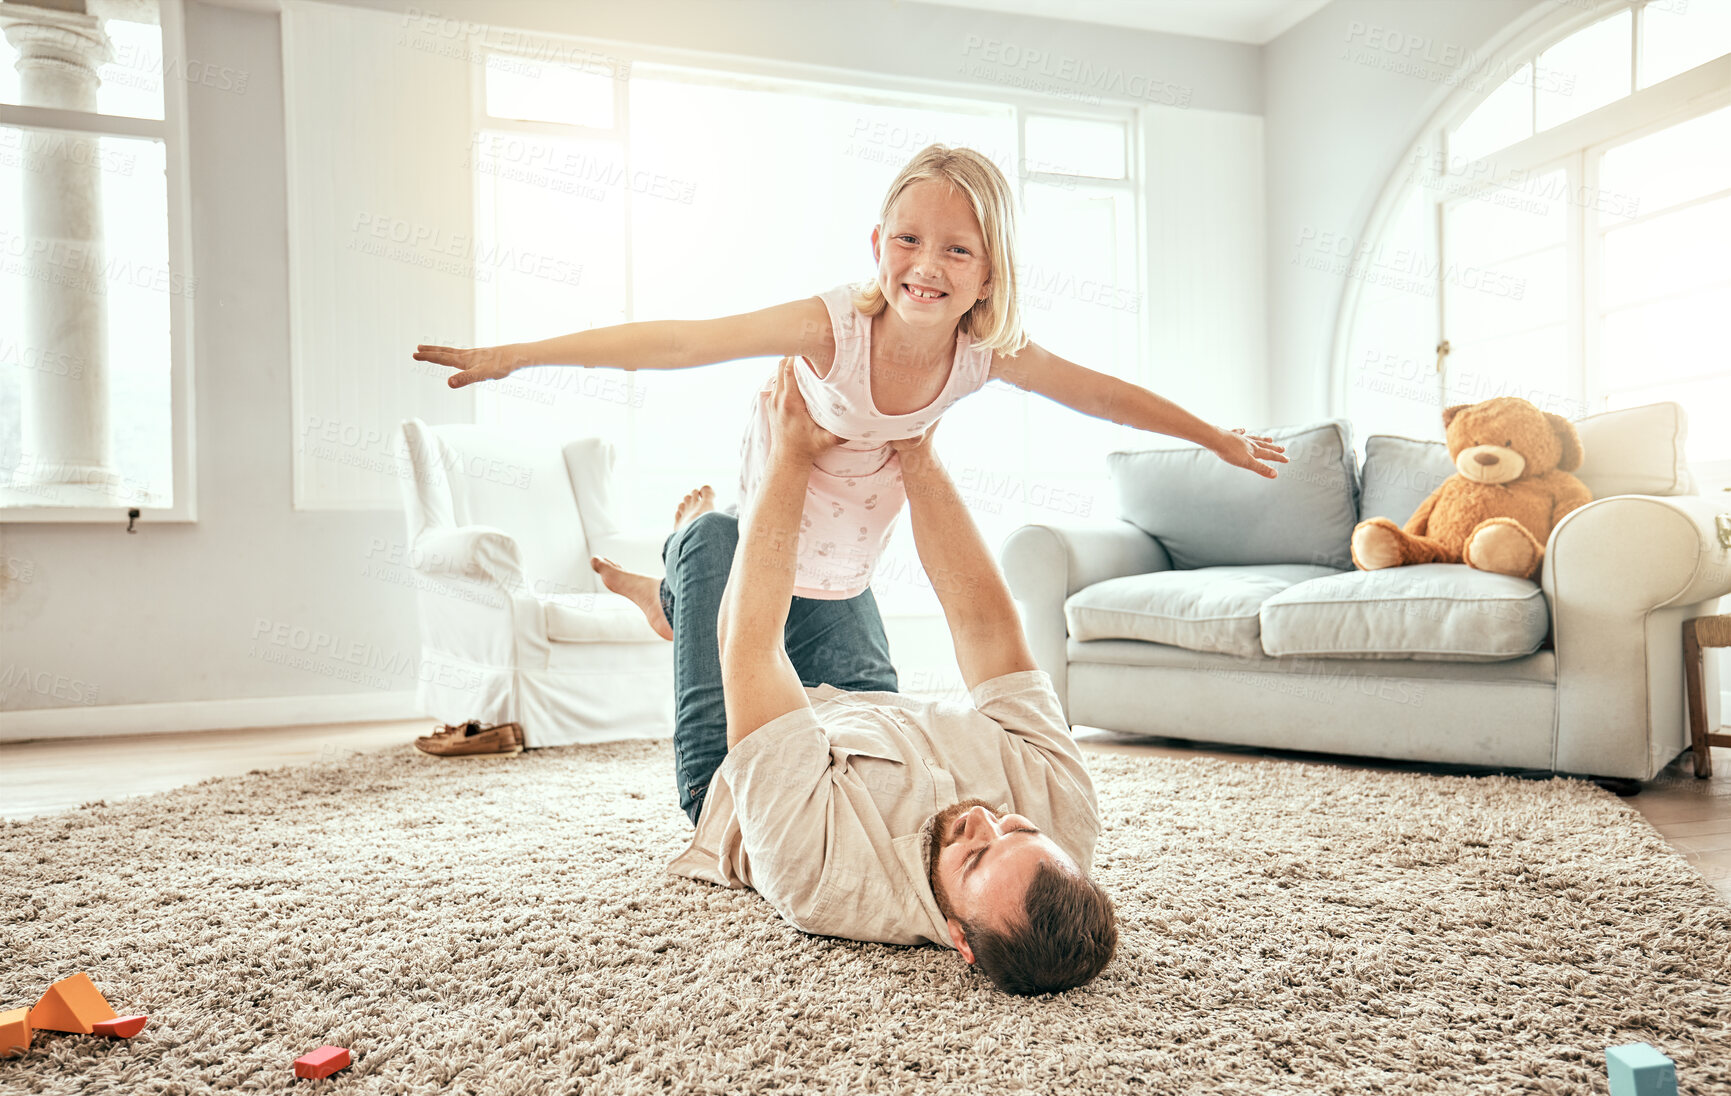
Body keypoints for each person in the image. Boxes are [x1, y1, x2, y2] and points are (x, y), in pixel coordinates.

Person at [414, 143, 1288, 643]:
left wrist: (1215, 436)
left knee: (817, 608)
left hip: (858, 529)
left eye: (957, 249)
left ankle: (670, 581)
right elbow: (681, 341)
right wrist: (516, 354)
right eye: (908, 238)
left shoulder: (987, 352)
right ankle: (671, 566)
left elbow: (1099, 394)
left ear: (990, 274)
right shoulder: (830, 327)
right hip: (785, 485)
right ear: (877, 243)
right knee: (726, 614)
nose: (925, 265)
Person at [615, 356, 1116, 996]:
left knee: (717, 536)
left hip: (738, 772)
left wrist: (789, 457)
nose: (987, 820)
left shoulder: (822, 878)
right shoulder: (1066, 813)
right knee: (830, 543)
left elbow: (752, 650)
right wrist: (918, 450)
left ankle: (680, 569)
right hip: (871, 709)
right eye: (1018, 830)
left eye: (975, 855)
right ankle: (677, 601)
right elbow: (985, 626)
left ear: (958, 939)